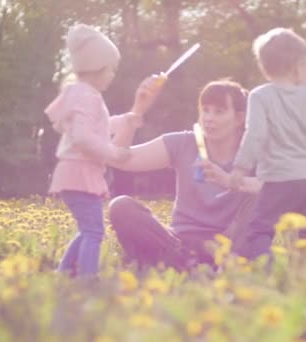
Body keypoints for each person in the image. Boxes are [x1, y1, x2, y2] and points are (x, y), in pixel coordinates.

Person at [107, 79, 261, 270]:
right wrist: (137, 111)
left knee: (261, 196)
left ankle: (198, 266)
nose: (208, 118)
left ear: (239, 118)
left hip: (229, 243)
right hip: (180, 241)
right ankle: (186, 261)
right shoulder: (183, 143)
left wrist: (228, 180)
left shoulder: (253, 152)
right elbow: (119, 159)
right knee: (121, 207)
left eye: (219, 112)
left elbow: (281, 186)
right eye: (205, 110)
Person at [45, 24, 158, 277]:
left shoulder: (83, 94)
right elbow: (84, 138)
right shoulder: (87, 96)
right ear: (97, 68)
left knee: (89, 229)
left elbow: (99, 128)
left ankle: (64, 273)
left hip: (76, 173)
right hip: (78, 174)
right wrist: (114, 153)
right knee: (94, 232)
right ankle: (87, 279)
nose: (112, 75)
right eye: (111, 69)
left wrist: (127, 119)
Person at [228, 27, 306, 261]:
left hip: (277, 179)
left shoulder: (260, 96)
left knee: (260, 231)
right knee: (299, 234)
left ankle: (267, 269)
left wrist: (240, 168)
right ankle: (300, 275)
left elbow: (255, 134)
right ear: (296, 66)